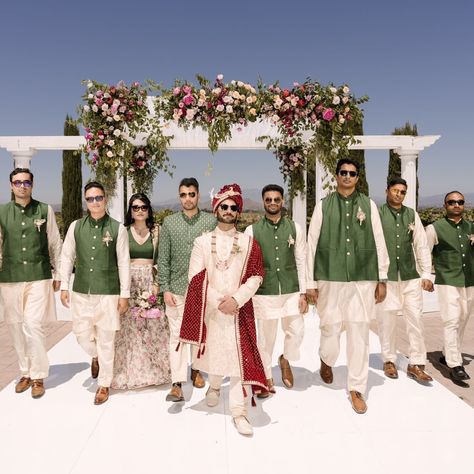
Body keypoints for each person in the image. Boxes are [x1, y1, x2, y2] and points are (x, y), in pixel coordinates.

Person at [180, 183, 267, 436]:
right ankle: (215, 386)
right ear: (216, 209)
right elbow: (195, 278)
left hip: (240, 311)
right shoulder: (202, 242)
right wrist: (221, 301)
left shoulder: (249, 243)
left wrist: (237, 299)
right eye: (224, 206)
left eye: (233, 207)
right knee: (217, 353)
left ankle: (239, 412)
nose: (229, 210)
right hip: (214, 309)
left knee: (240, 360)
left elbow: (256, 276)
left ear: (238, 212)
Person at [306, 158, 389, 414]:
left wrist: (382, 277)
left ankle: (357, 388)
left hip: (362, 278)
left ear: (357, 177)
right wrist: (309, 282)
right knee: (329, 329)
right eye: (343, 172)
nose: (347, 176)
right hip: (330, 276)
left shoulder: (369, 205)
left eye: (352, 173)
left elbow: (378, 239)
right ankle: (326, 359)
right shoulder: (323, 206)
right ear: (337, 175)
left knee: (359, 333)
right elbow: (312, 243)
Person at [60, 181, 130, 405]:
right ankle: (95, 355)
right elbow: (66, 256)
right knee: (81, 335)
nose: (95, 202)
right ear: (85, 201)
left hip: (108, 292)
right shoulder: (75, 226)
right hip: (82, 290)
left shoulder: (118, 228)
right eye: (90, 199)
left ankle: (104, 384)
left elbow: (124, 262)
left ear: (105, 199)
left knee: (107, 339)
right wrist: (63, 285)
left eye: (98, 198)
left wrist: (124, 294)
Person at [0, 168, 62, 398]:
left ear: (32, 185)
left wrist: (59, 274)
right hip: (9, 277)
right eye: (17, 182)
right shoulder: (2, 212)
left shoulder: (44, 209)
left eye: (26, 182)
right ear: (11, 185)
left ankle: (38, 375)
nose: (22, 186)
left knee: (33, 325)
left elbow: (55, 242)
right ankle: (24, 372)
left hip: (39, 275)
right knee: (15, 326)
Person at [245, 184, 307, 396]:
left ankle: (285, 359)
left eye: (276, 199)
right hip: (265, 292)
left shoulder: (295, 228)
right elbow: (247, 265)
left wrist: (304, 292)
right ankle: (265, 377)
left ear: (283, 201)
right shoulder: (251, 231)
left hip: (291, 289)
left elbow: (301, 260)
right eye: (268, 199)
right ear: (263, 202)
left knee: (297, 331)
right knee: (266, 338)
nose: (273, 203)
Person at [158, 177, 216, 402]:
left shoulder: (210, 222)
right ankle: (177, 383)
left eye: (191, 194)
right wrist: (165, 288)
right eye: (183, 194)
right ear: (179, 196)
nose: (188, 198)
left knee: (202, 334)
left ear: (198, 195)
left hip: (204, 290)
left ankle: (197, 370)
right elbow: (163, 259)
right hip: (177, 289)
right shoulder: (170, 223)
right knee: (177, 336)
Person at [376, 178, 433, 383]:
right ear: (387, 191)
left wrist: (426, 274)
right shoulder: (378, 213)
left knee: (415, 320)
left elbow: (421, 244)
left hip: (410, 277)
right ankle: (389, 359)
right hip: (386, 278)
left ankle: (416, 363)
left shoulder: (412, 214)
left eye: (402, 192)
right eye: (395, 190)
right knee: (387, 321)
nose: (399, 194)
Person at [111, 193, 171, 389]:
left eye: (143, 207)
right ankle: (129, 370)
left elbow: (161, 259)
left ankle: (154, 371)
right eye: (135, 207)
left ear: (148, 209)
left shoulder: (157, 232)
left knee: (152, 327)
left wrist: (156, 286)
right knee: (130, 328)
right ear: (130, 210)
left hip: (150, 282)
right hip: (130, 282)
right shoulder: (123, 231)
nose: (139, 210)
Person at [425, 191, 474, 383]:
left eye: (460, 202)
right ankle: (455, 364)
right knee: (452, 320)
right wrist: (426, 277)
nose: (456, 205)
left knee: (463, 318)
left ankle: (447, 353)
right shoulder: (434, 228)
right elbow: (424, 253)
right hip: (447, 280)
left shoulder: (471, 227)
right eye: (452, 202)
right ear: (445, 205)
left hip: (469, 280)